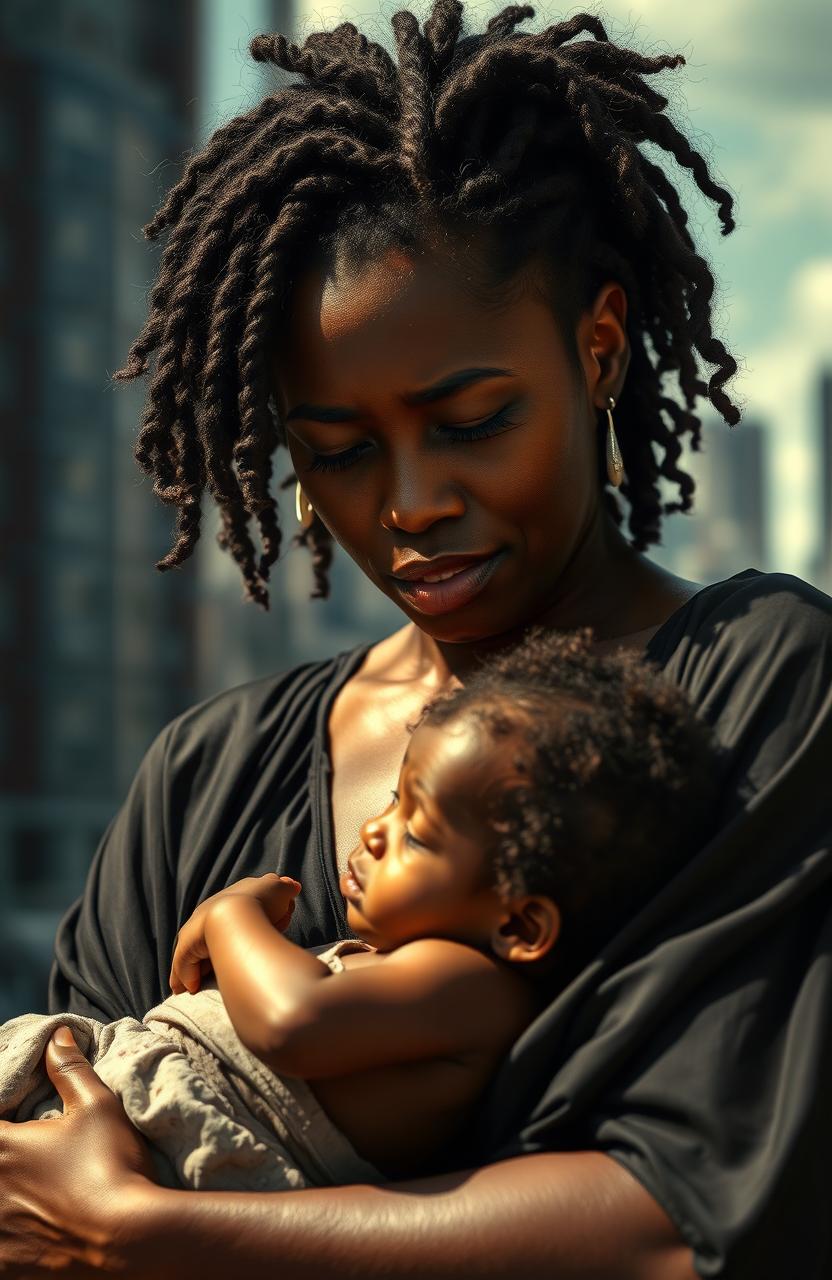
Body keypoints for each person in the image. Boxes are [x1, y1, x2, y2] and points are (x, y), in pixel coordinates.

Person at [1, 3, 829, 1277]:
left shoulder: (762, 685)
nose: (410, 502)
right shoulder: (206, 775)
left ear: (597, 347)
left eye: (472, 418)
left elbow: (690, 1217)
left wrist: (158, 1234)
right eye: (334, 449)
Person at [0, 630, 718, 1193]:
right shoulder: (419, 971)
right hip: (125, 1097)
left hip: (172, 1141)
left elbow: (291, 1023)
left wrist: (231, 918)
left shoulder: (471, 990)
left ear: (520, 926)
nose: (376, 827)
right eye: (395, 797)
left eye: (416, 830)